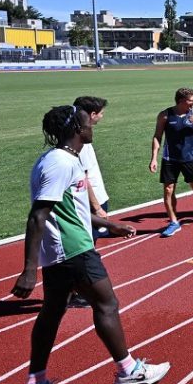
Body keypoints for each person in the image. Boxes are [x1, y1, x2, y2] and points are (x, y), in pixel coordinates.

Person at [10, 105, 170, 384]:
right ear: (76, 128)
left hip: (62, 251)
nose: (92, 125)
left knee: (52, 313)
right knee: (107, 304)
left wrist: (108, 224)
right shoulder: (59, 162)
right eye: (87, 121)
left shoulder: (64, 159)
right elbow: (38, 216)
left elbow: (68, 207)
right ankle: (128, 371)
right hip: (74, 251)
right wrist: (29, 270)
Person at [66, 96, 111, 309]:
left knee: (88, 248)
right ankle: (77, 292)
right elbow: (83, 177)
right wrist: (97, 207)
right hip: (90, 204)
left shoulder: (85, 136)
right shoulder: (79, 141)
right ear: (92, 115)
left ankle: (74, 290)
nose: (102, 116)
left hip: (95, 200)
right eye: (101, 112)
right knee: (86, 251)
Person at [150, 88, 193, 238]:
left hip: (191, 157)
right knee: (168, 190)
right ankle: (173, 222)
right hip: (170, 158)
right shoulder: (165, 115)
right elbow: (157, 136)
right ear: (181, 101)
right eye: (191, 101)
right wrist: (154, 158)